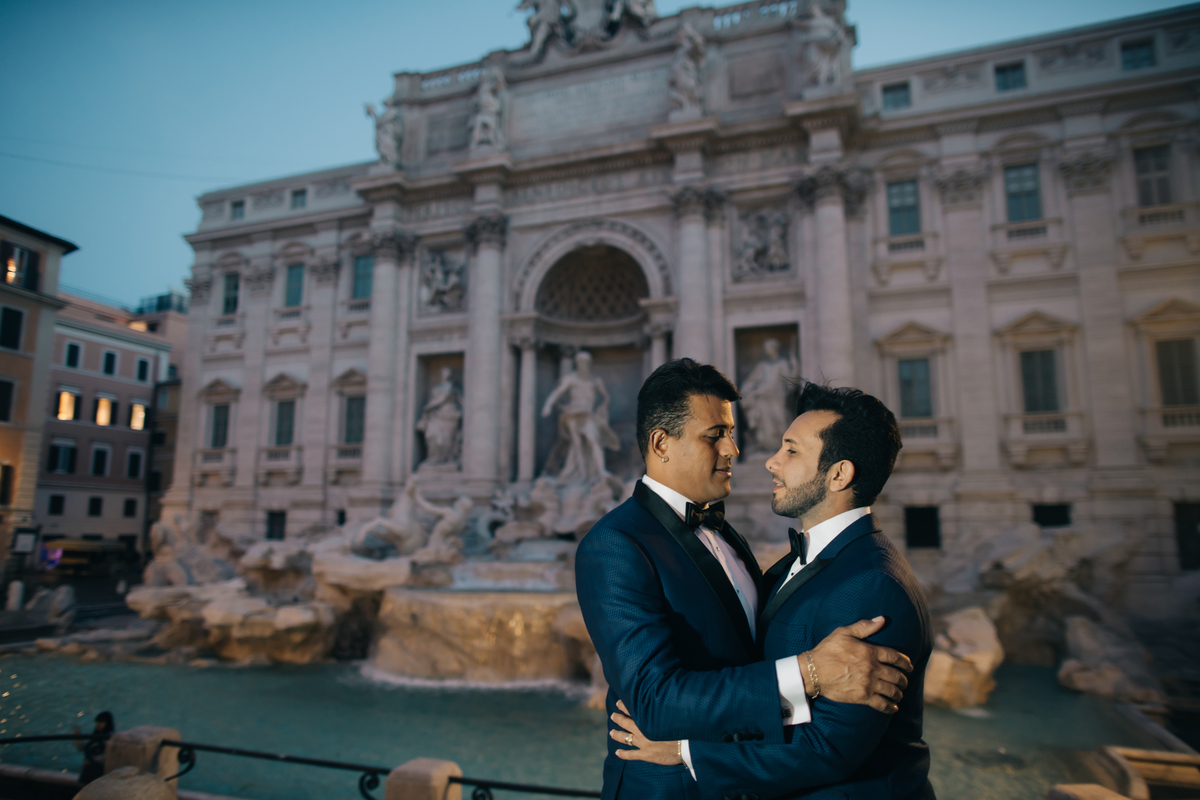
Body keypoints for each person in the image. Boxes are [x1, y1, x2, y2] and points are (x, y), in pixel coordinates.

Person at [575, 360, 914, 800]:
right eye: (715, 435)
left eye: (731, 433)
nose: (733, 449)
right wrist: (810, 672)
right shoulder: (616, 544)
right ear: (661, 444)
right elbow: (654, 703)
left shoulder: (727, 533)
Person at [74, 710, 114, 784]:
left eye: (102, 722)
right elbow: (82, 747)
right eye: (98, 721)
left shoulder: (110, 738)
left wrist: (91, 760)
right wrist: (78, 737)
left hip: (98, 769)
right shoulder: (95, 736)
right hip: (91, 767)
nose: (98, 724)